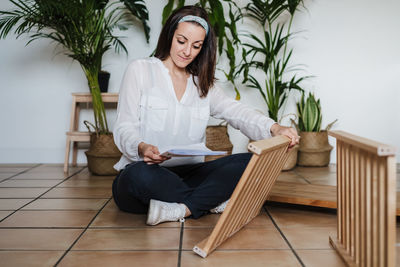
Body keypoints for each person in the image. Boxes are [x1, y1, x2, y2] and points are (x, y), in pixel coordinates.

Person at [112, 5, 299, 226]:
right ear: (170, 35)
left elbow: (236, 112)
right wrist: (141, 147)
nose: (187, 51)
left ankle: (184, 208)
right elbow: (124, 126)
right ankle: (209, 201)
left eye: (196, 46)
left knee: (252, 161)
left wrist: (274, 128)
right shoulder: (140, 70)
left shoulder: (202, 84)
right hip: (148, 172)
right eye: (181, 41)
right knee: (137, 177)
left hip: (191, 173)